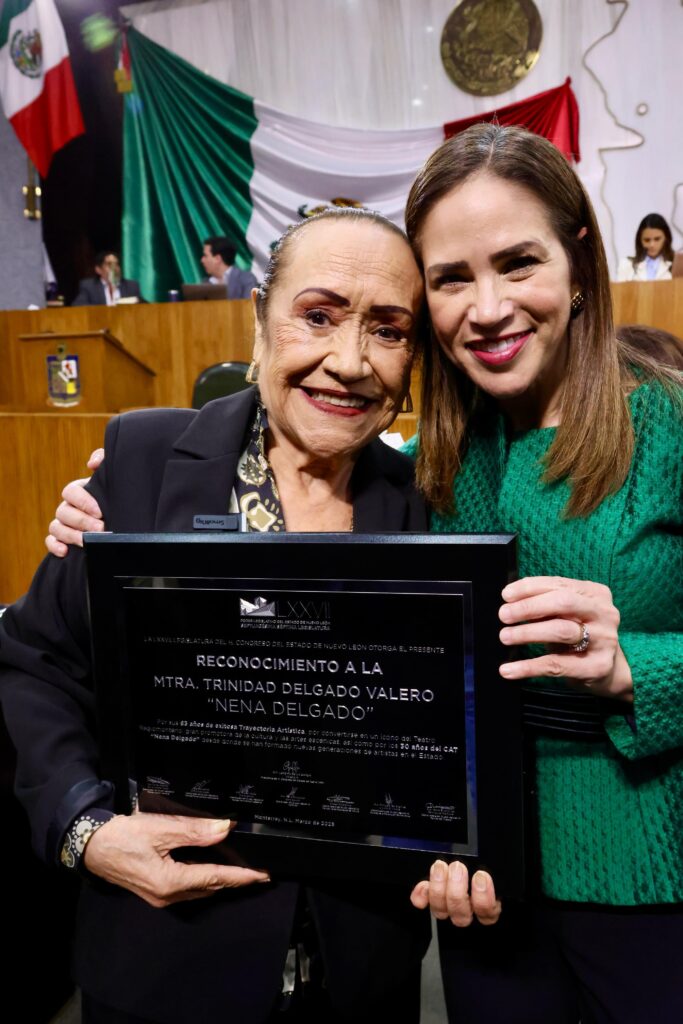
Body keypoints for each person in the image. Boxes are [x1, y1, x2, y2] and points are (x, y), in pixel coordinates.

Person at [1, 208, 499, 1024]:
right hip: (162, 960)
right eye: (318, 316)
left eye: (387, 330)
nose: (349, 362)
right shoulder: (139, 459)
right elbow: (35, 664)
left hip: (360, 971)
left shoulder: (431, 505)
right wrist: (86, 829)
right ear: (260, 317)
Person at [402, 124, 683, 1024]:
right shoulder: (432, 459)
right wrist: (121, 487)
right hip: (483, 890)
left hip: (649, 881)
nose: (486, 308)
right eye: (451, 278)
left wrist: (636, 667)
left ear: (577, 260)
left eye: (518, 263)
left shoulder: (667, 420)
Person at [72, 251, 144, 306]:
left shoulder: (131, 286)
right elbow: (78, 306)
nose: (114, 268)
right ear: (98, 270)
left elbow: (143, 306)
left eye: (116, 264)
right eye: (109, 264)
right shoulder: (89, 287)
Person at [617, 212, 674, 281]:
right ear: (640, 240)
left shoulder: (677, 265)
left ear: (666, 238)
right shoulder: (626, 265)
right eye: (647, 240)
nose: (652, 245)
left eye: (657, 239)